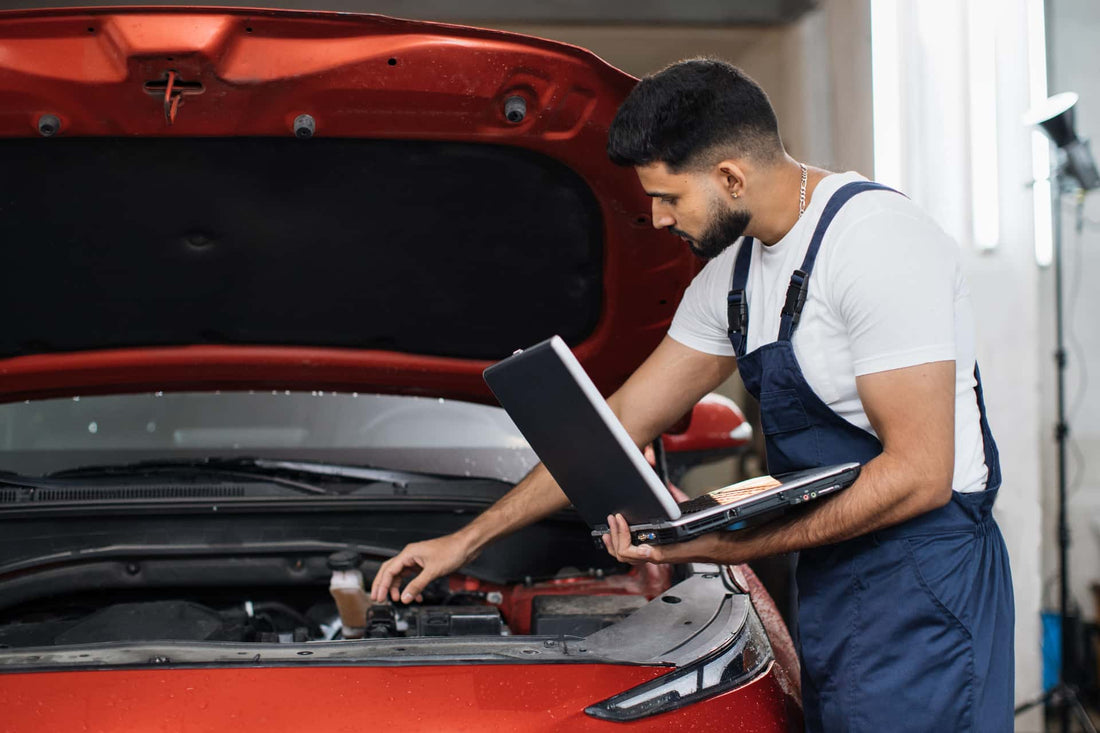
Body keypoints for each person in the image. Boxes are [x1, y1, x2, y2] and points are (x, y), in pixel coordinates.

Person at [372, 58, 1014, 731]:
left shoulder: (875, 244)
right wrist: (467, 540)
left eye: (668, 198)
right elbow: (617, 422)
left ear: (731, 176)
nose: (653, 218)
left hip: (925, 579)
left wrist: (719, 547)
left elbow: (920, 474)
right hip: (833, 575)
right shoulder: (732, 278)